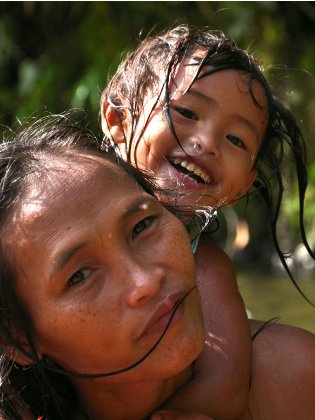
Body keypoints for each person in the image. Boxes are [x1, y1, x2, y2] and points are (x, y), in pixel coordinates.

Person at [0, 113, 315, 420]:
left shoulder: (296, 379)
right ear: (18, 340)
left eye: (142, 226)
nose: (146, 281)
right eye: (80, 276)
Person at [100, 25, 314, 417]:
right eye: (185, 112)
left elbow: (223, 388)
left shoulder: (205, 267)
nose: (207, 142)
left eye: (236, 140)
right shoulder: (60, 212)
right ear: (119, 119)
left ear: (243, 186)